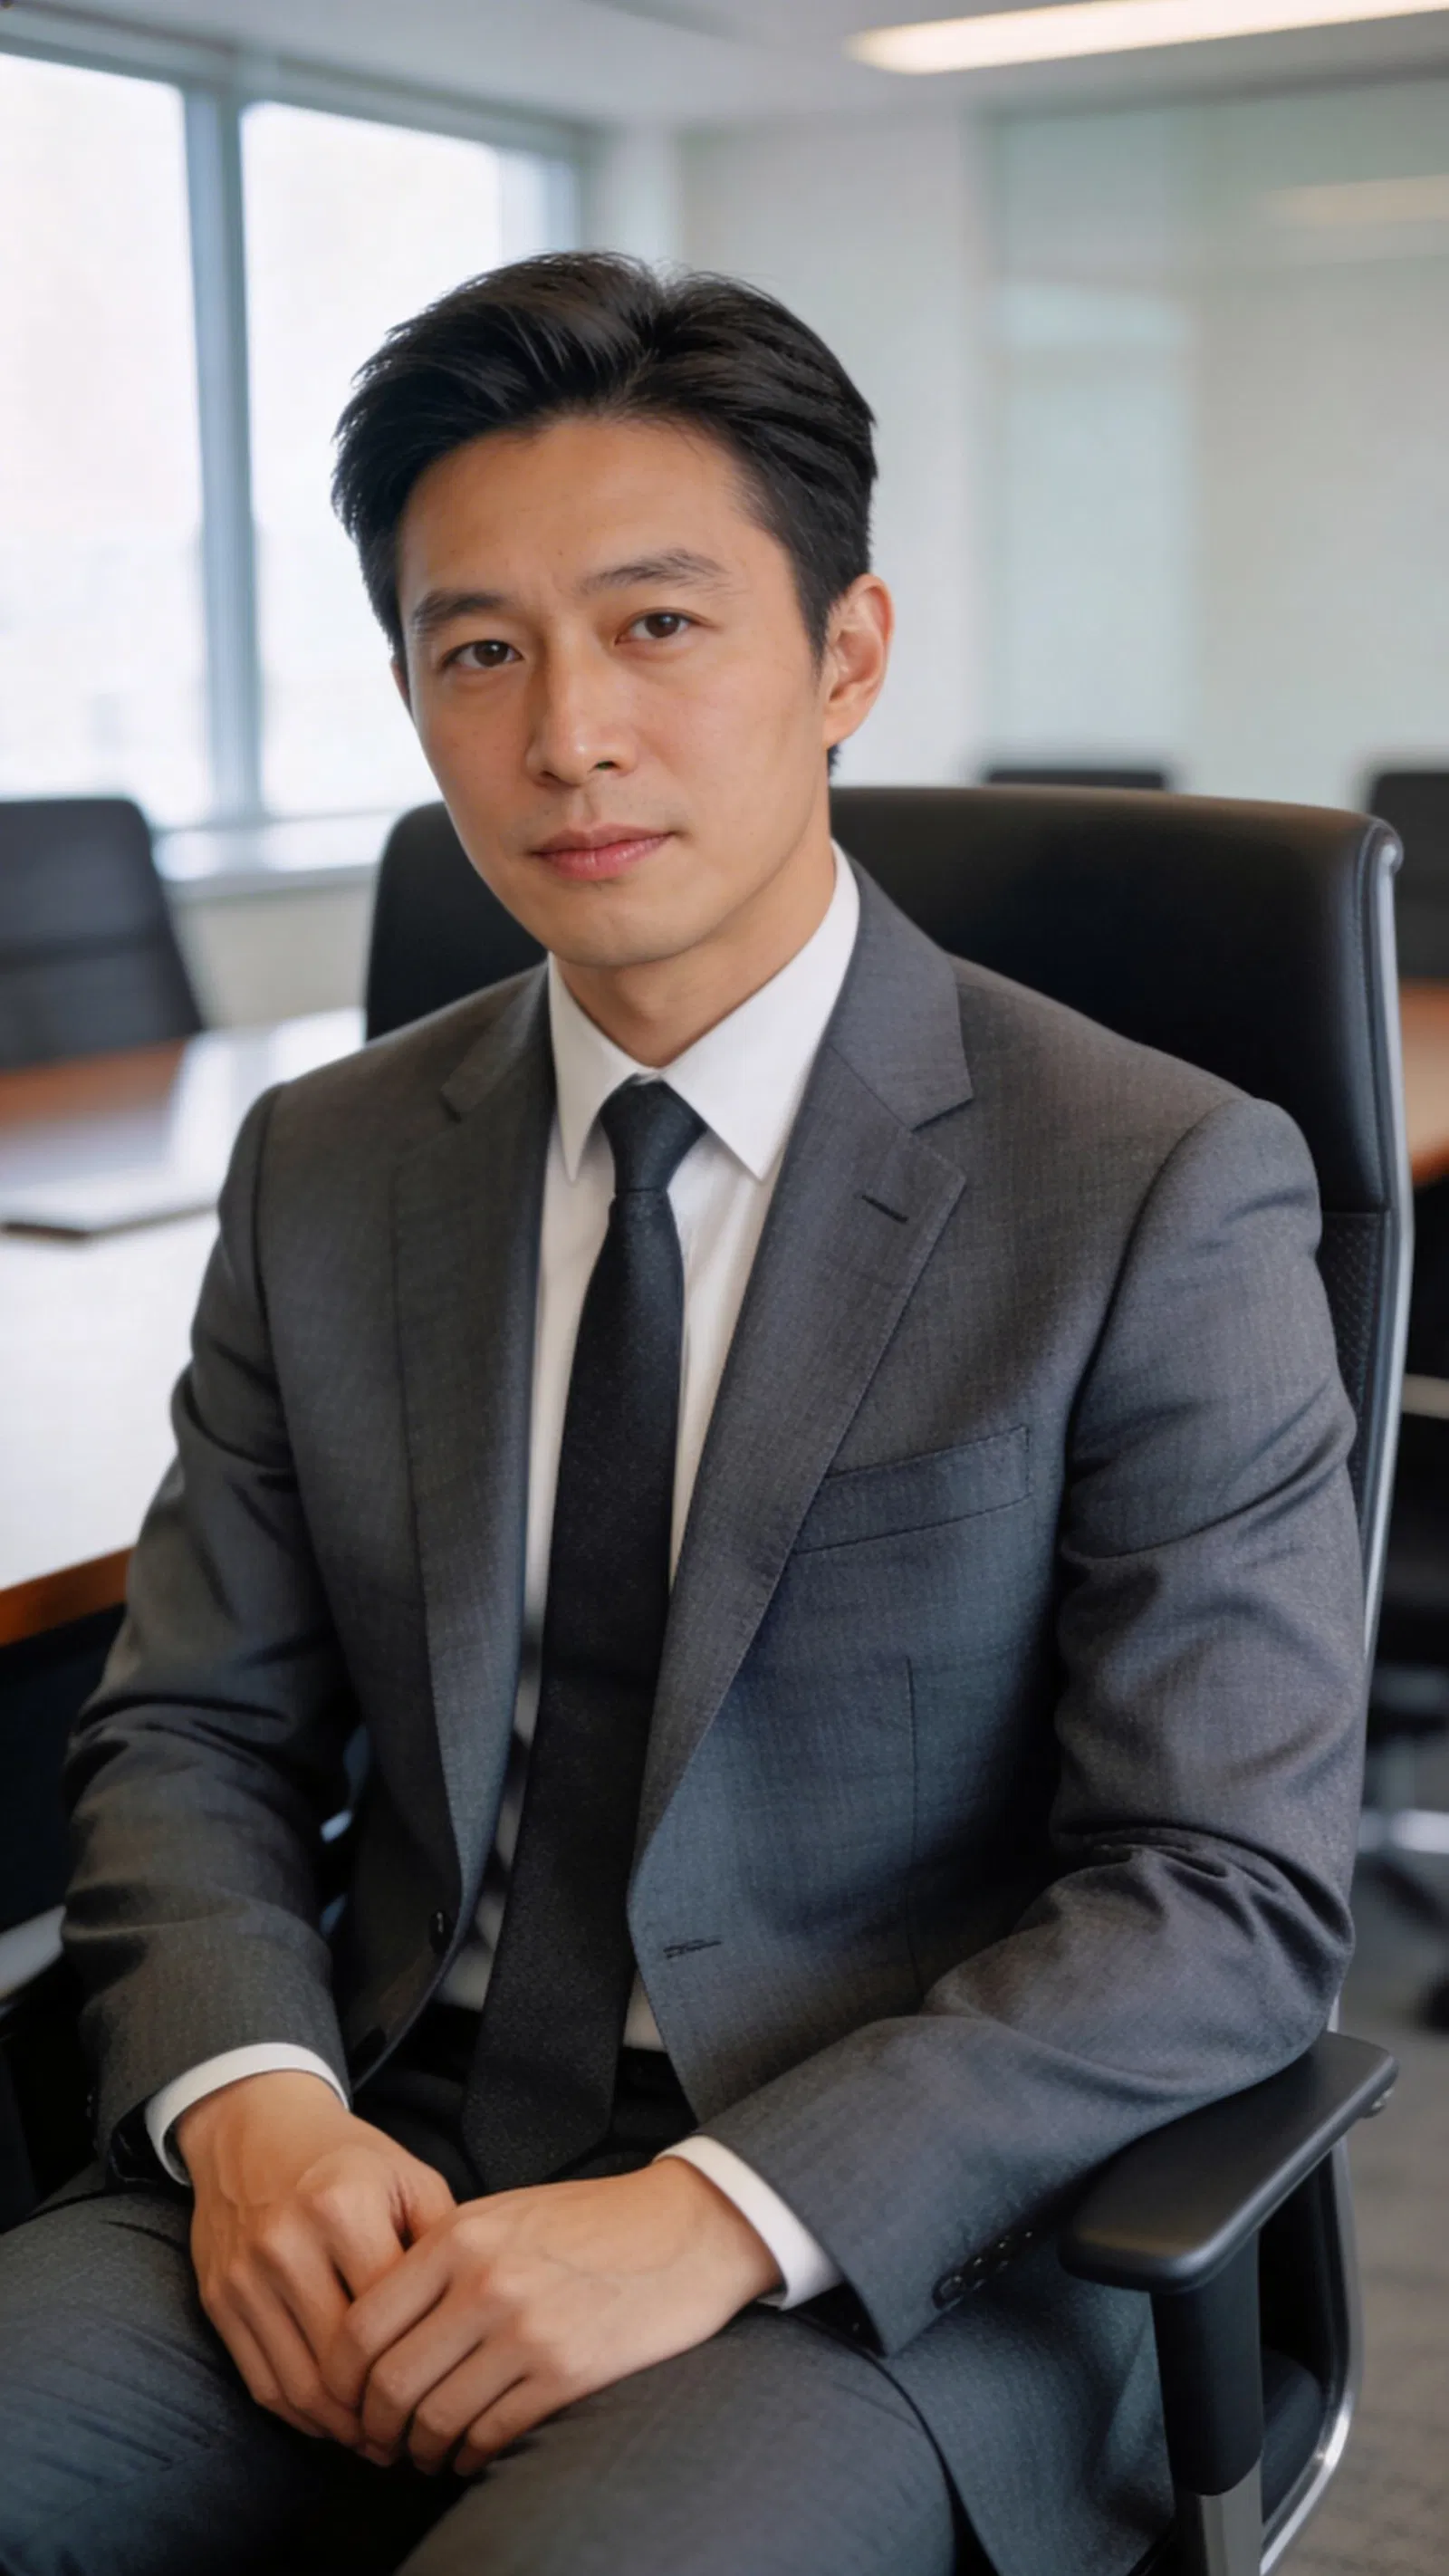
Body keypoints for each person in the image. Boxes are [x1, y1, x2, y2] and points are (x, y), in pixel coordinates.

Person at [0, 254, 1364, 2576]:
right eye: (478, 650)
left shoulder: (1145, 1180)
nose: (566, 740)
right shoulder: (328, 1169)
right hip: (372, 2146)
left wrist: (719, 2215)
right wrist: (250, 2109)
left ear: (842, 655)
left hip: (877, 2246)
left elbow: (1217, 1892)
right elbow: (193, 1735)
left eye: (656, 627)